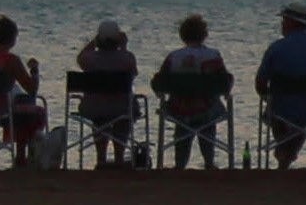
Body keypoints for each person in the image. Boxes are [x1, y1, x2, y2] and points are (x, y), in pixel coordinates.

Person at [255, 2, 306, 169]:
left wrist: (266, 97)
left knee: (278, 111)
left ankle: (284, 154)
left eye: (284, 20)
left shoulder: (276, 48)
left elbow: (260, 82)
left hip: (281, 107)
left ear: (293, 22)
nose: (282, 24)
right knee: (301, 118)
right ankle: (288, 154)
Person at [153, 13, 230, 170]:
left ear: (182, 35)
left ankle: (180, 164)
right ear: (204, 35)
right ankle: (209, 161)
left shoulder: (173, 57)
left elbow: (159, 82)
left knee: (182, 127)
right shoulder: (213, 56)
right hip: (206, 108)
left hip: (179, 109)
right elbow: (224, 81)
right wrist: (226, 91)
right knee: (209, 121)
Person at [0, 15, 45, 167]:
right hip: (2, 111)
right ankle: (24, 156)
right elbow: (32, 89)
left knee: (21, 105)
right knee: (32, 108)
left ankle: (21, 158)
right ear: (13, 38)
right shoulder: (11, 60)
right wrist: (34, 70)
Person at [75, 20, 138, 168]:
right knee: (123, 117)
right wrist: (123, 46)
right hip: (122, 107)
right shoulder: (127, 58)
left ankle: (101, 158)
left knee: (100, 118)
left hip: (95, 107)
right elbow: (133, 73)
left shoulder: (89, 59)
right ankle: (119, 157)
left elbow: (80, 57)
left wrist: (94, 42)